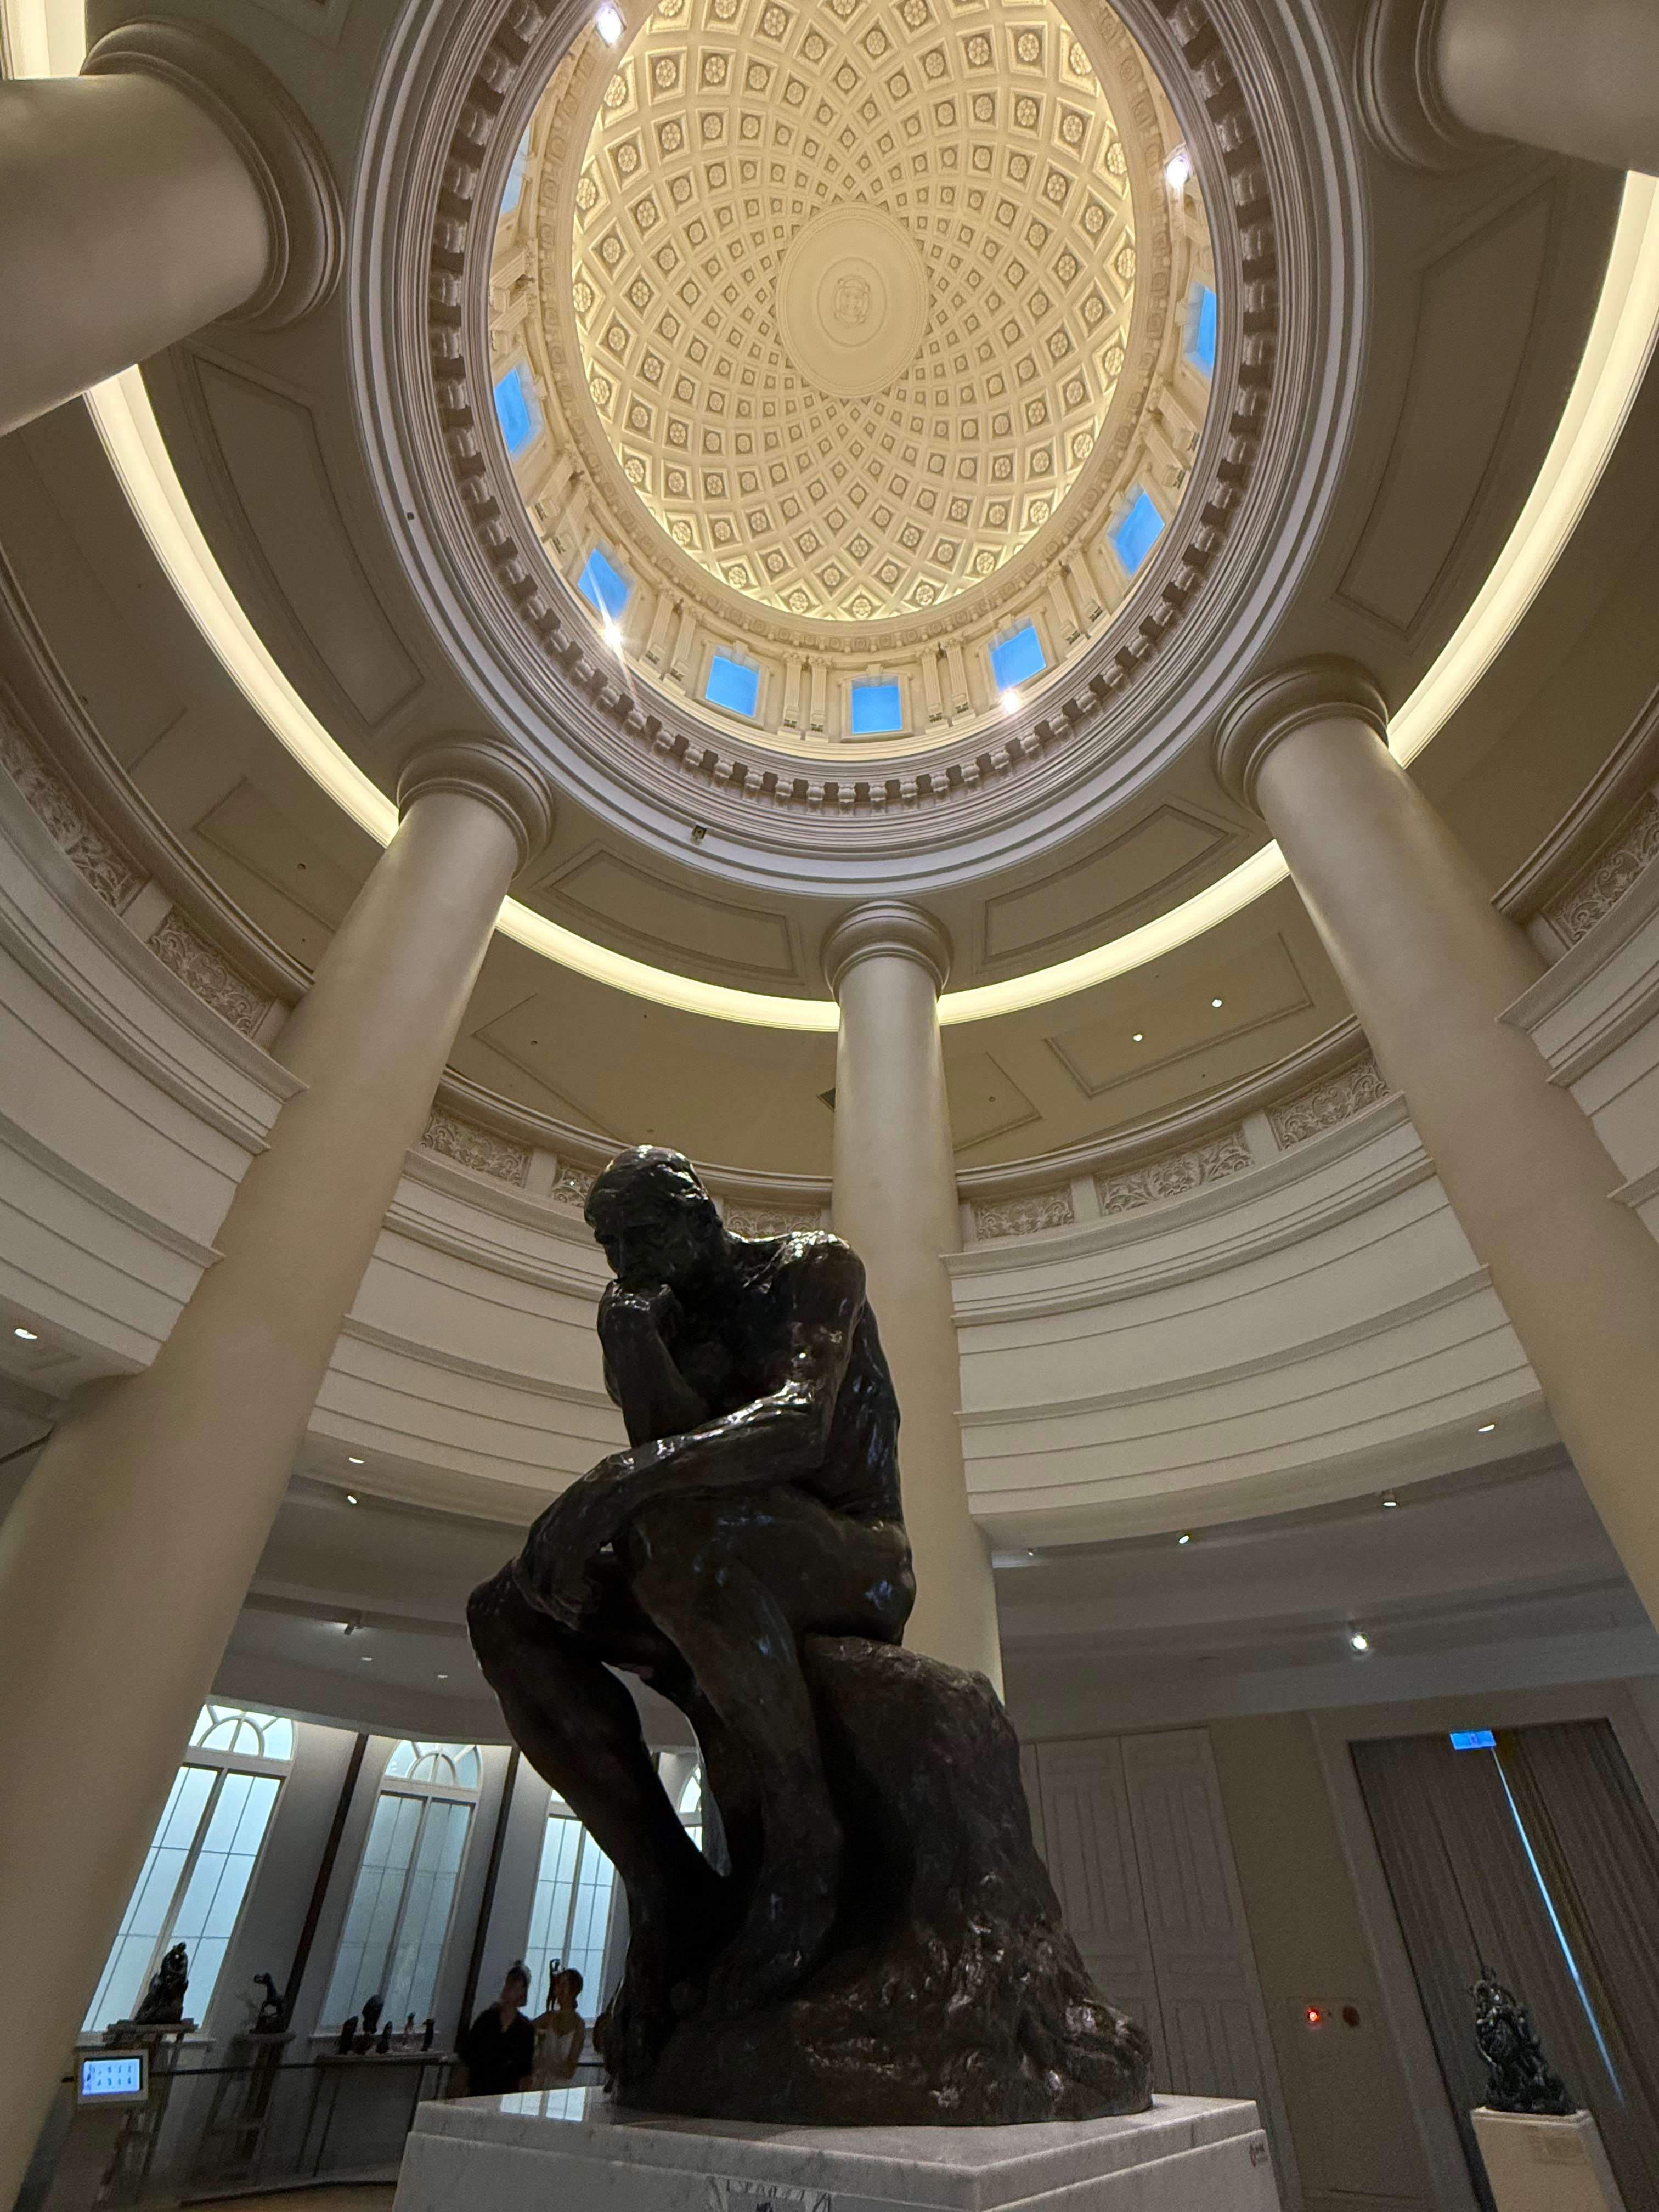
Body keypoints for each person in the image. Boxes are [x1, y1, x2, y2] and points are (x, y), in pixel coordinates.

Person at [468, 1147, 915, 2075]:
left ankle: (806, 1841)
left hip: (853, 1554)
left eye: (639, 1237)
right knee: (507, 1613)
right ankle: (665, 1884)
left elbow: (798, 1425)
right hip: (710, 1551)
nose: (625, 1262)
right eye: (609, 1247)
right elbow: (667, 1457)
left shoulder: (810, 1267)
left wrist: (611, 1484)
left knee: (672, 1531)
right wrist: (634, 1347)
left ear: (698, 1216)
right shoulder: (644, 1312)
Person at [456, 1963, 534, 2097]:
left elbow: (525, 2069)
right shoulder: (486, 2019)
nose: (509, 1989)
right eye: (509, 1984)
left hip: (506, 2093)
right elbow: (468, 2056)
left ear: (522, 1991)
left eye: (515, 1986)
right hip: (478, 2088)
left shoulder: (525, 2029)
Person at [530, 1964, 586, 2087]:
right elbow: (525, 2030)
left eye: (564, 1985)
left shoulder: (579, 2025)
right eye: (558, 1984)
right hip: (538, 2083)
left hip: (560, 2088)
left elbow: (569, 2070)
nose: (558, 1989)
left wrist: (546, 2063)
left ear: (574, 1990)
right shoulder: (548, 2017)